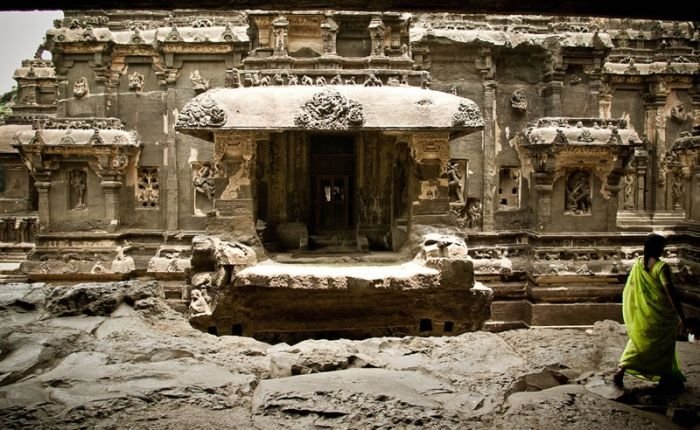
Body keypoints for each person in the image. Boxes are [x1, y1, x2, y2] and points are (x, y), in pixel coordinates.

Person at [614, 233, 688, 390]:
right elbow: (671, 293)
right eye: (662, 247)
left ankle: (622, 369)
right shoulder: (662, 267)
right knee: (664, 345)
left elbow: (632, 290)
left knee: (639, 342)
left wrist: (636, 308)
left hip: (644, 312)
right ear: (657, 248)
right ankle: (664, 374)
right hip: (662, 314)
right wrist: (681, 315)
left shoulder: (639, 264)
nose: (663, 250)